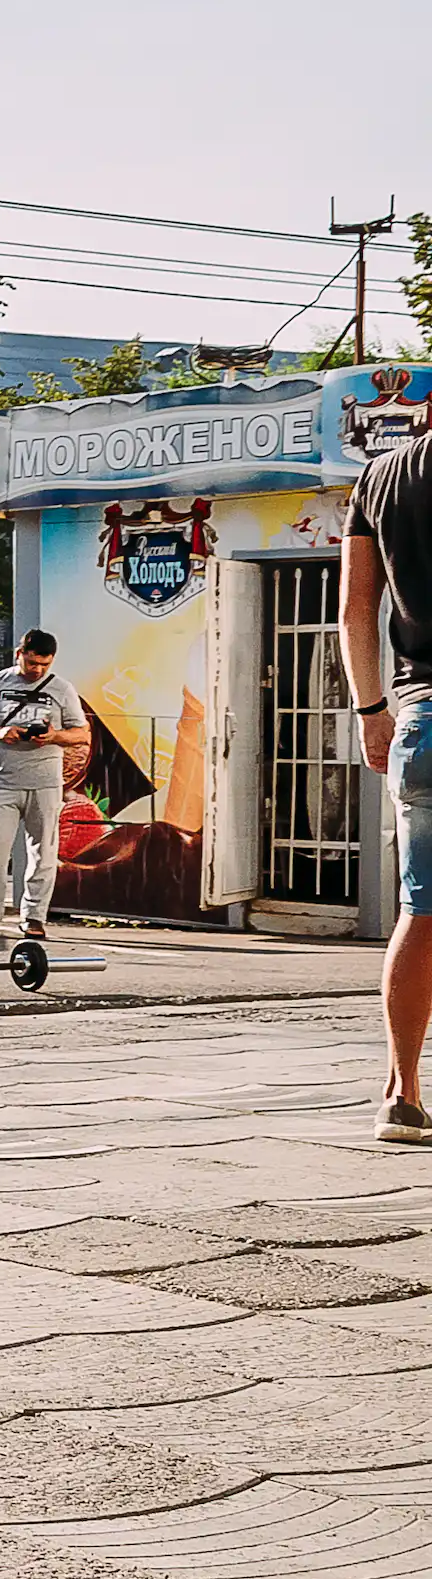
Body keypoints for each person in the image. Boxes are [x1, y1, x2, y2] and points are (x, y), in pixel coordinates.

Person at [342, 432, 432, 1141]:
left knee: (420, 909)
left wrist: (372, 709)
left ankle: (402, 1092)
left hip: (420, 717)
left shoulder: (380, 476)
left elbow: (354, 610)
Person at [0, 630, 87, 945]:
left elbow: (82, 734)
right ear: (19, 654)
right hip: (1, 781)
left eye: (45, 664)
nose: (37, 670)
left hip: (45, 783)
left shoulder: (61, 688)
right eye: (32, 663)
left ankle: (34, 918)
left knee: (43, 851)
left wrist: (54, 736)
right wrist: (0, 731)